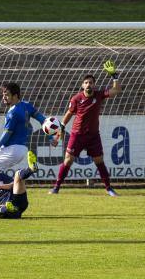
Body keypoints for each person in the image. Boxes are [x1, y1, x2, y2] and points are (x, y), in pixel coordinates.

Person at [49, 60, 122, 197]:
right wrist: (60, 131)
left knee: (99, 161)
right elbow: (69, 114)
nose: (89, 84)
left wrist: (114, 76)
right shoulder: (76, 98)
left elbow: (117, 90)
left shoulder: (99, 95)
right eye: (86, 82)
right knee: (68, 160)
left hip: (93, 136)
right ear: (83, 85)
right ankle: (56, 187)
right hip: (77, 135)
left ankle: (109, 188)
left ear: (94, 85)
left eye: (91, 82)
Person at [0, 82, 47, 174]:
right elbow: (43, 120)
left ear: (15, 96)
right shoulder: (26, 105)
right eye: (3, 95)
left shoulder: (13, 113)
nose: (3, 98)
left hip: (12, 149)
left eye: (6, 95)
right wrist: (51, 137)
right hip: (20, 149)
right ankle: (27, 171)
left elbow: (5, 136)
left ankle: (27, 171)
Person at [0, 151, 38, 219]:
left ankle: (31, 169)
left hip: (17, 201)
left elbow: (14, 185)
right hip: (3, 212)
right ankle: (6, 209)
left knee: (17, 175)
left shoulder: (0, 177)